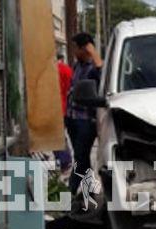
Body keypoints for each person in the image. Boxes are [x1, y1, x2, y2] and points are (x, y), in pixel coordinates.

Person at [66, 33, 102, 194]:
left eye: (76, 47)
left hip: (86, 120)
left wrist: (95, 54)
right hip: (72, 118)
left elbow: (102, 81)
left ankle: (69, 192)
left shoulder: (95, 68)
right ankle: (90, 191)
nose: (73, 51)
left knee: (80, 158)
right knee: (82, 158)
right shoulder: (77, 66)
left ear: (84, 48)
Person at [54, 53, 73, 173]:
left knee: (55, 136)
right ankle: (65, 160)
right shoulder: (67, 70)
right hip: (65, 106)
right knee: (60, 135)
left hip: (54, 107)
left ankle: (64, 160)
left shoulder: (51, 71)